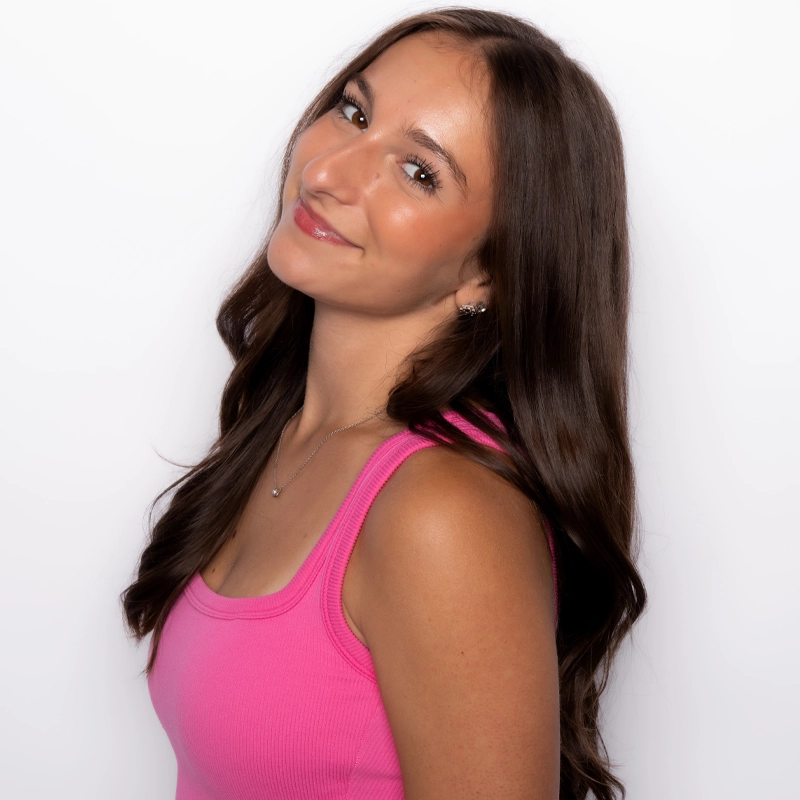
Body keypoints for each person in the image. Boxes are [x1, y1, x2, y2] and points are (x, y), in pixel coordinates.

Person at [122, 8, 646, 799]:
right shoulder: (288, 435)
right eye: (353, 112)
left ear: (488, 273)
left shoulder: (441, 513)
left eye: (418, 172)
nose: (329, 172)